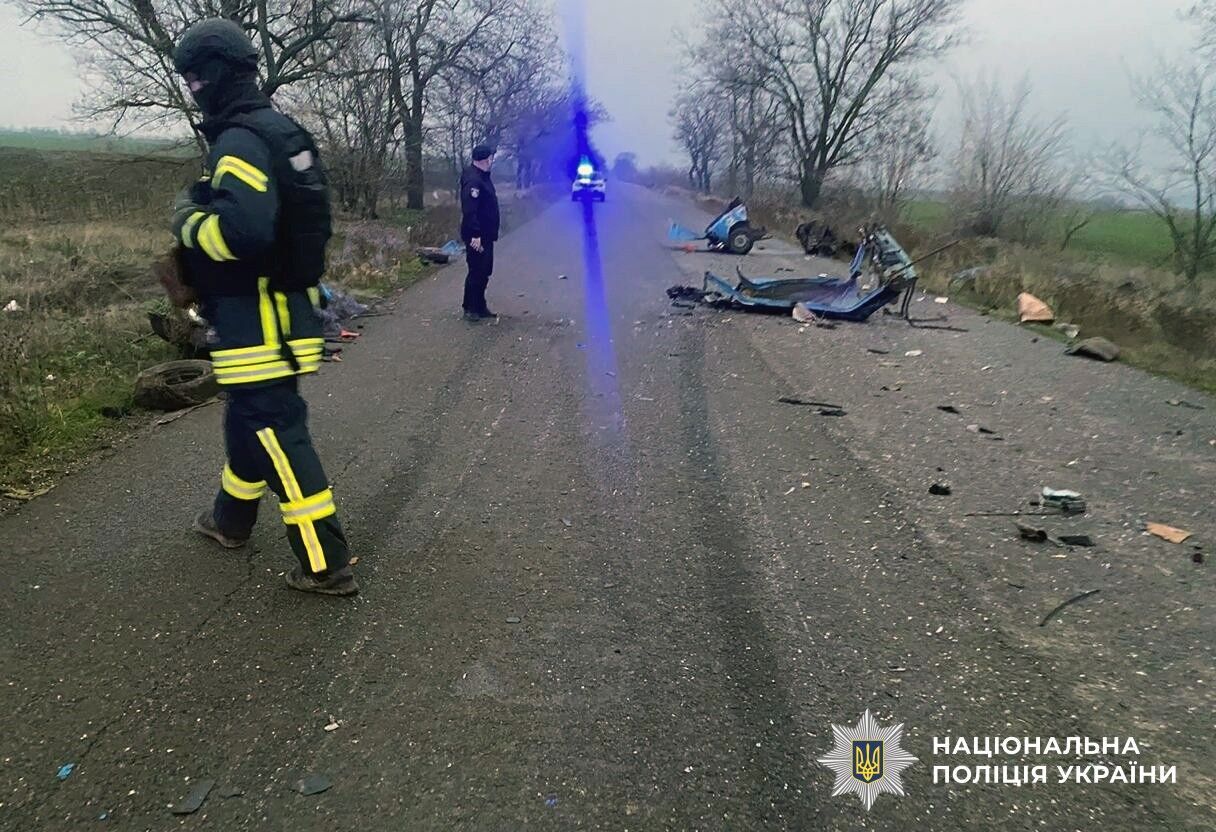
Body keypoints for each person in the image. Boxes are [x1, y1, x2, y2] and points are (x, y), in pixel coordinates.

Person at [171, 18, 357, 596]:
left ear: (215, 75)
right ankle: (230, 519)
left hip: (257, 323)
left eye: (194, 78)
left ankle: (325, 562)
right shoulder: (281, 131)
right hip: (283, 313)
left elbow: (245, 233)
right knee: (248, 416)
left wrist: (187, 220)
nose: (193, 89)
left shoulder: (239, 140)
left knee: (276, 430)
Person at [460, 144, 501, 321]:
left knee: (484, 271)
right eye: (491, 157)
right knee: (476, 270)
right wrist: (475, 234)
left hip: (486, 233)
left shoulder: (483, 177)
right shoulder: (474, 181)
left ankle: (480, 306)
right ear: (485, 159)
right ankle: (470, 308)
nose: (492, 160)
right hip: (477, 235)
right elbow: (470, 210)